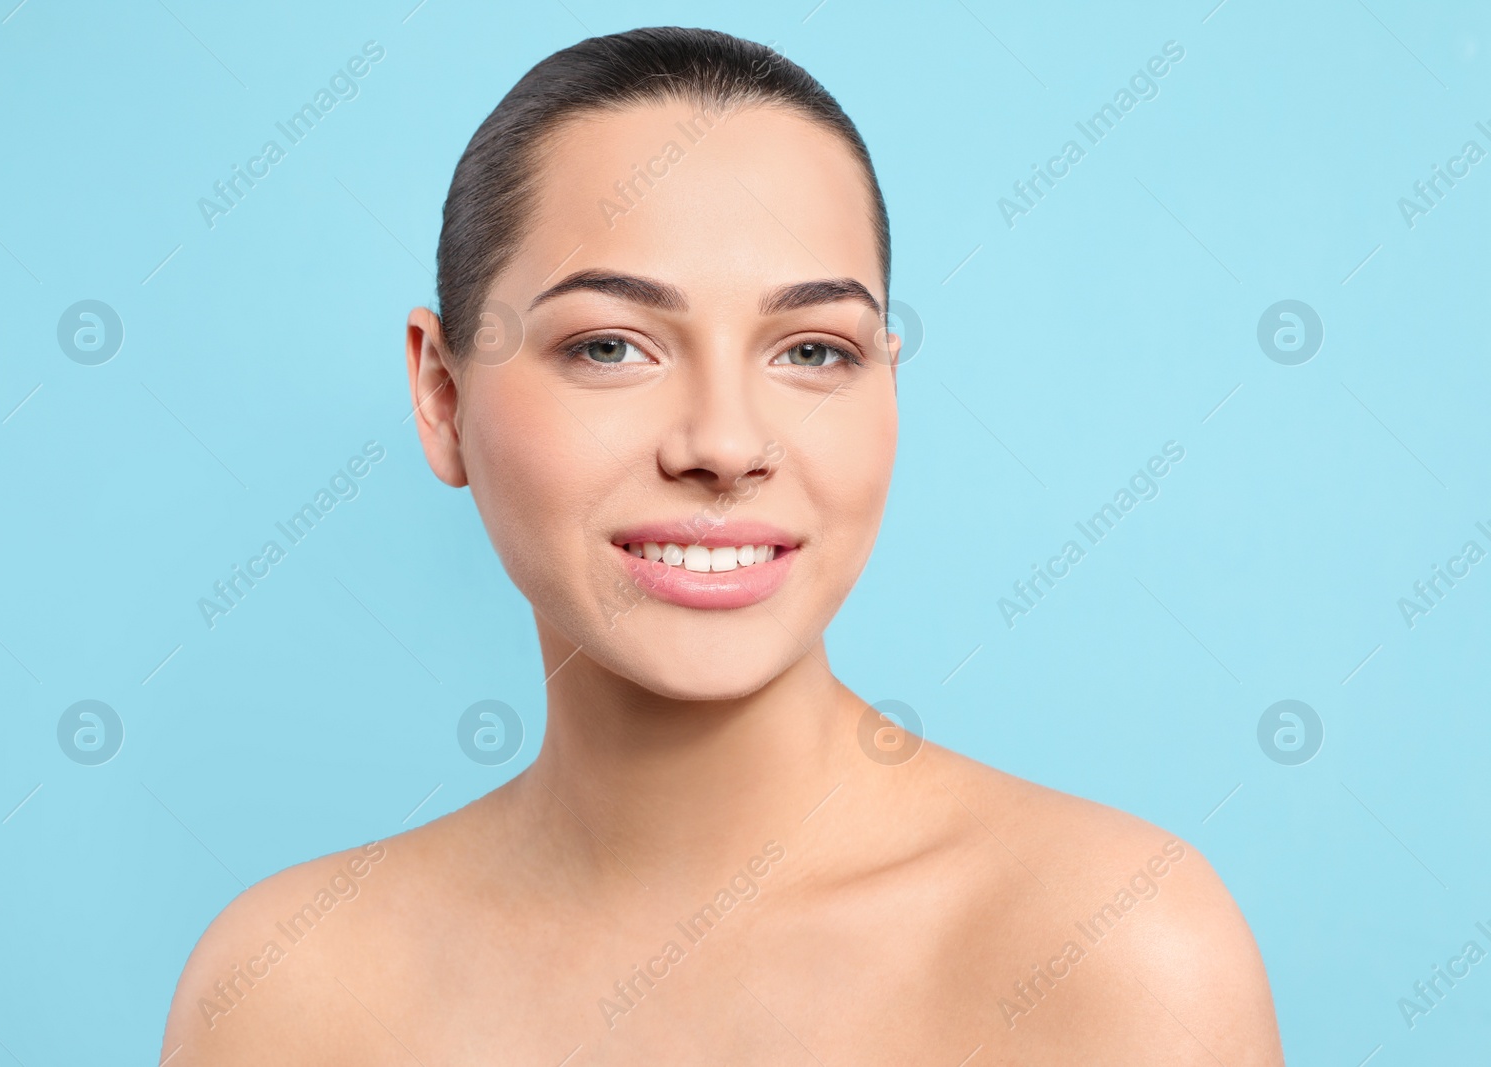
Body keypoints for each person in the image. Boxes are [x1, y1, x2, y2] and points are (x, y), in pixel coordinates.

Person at [163, 26, 1282, 1064]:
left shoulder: (1113, 951)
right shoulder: (286, 992)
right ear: (441, 393)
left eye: (811, 351)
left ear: (888, 389)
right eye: (610, 345)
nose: (726, 443)